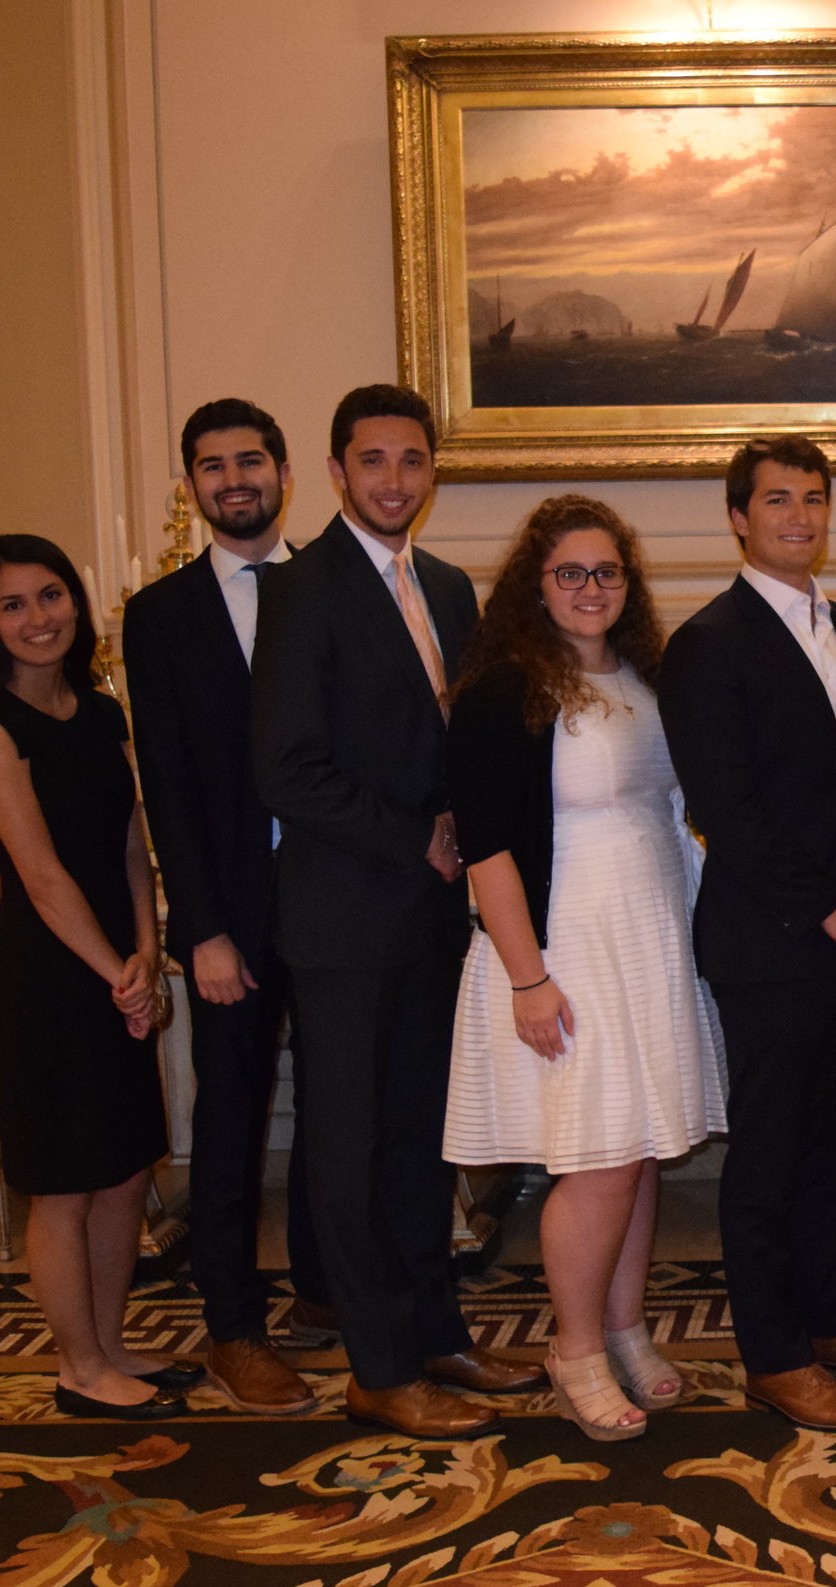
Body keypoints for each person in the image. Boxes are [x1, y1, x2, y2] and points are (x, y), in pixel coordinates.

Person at [252, 383, 544, 1439]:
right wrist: (410, 833)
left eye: (411, 460)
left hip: (431, 922)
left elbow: (464, 743)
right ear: (336, 473)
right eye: (372, 461)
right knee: (350, 1148)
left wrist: (476, 822)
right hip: (341, 922)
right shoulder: (303, 590)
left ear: (432, 470)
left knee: (426, 1141)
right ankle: (376, 1363)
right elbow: (284, 767)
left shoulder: (451, 588)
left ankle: (434, 1334)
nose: (393, 480)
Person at [659, 437, 836, 1433]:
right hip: (773, 938)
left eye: (813, 498)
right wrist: (822, 898)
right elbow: (722, 808)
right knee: (770, 1152)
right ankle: (772, 1352)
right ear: (738, 516)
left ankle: (829, 1321)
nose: (799, 516)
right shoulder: (706, 642)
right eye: (777, 499)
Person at [445, 494, 724, 1442]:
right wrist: (527, 977)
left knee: (639, 1150)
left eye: (608, 571)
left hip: (649, 934)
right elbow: (487, 851)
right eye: (570, 572)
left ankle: (624, 1326)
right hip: (567, 944)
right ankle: (573, 1349)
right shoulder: (501, 692)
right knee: (599, 1157)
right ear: (536, 584)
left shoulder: (644, 676)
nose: (592, 588)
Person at [0, 535, 197, 1419]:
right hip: (45, 978)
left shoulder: (98, 713)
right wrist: (113, 973)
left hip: (113, 965)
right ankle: (79, 1366)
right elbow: (42, 873)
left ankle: (113, 1342)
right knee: (64, 1181)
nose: (38, 618)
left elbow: (129, 845)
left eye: (50, 596)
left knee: (127, 1170)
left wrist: (142, 953)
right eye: (14, 605)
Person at [123, 398, 330, 1416]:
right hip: (230, 917)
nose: (234, 479)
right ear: (192, 486)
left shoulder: (333, 589)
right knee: (234, 1112)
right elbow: (165, 781)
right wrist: (199, 925)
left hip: (339, 898)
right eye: (212, 466)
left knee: (345, 1108)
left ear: (285, 472)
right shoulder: (159, 615)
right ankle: (234, 1327)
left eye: (251, 460)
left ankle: (329, 1291)